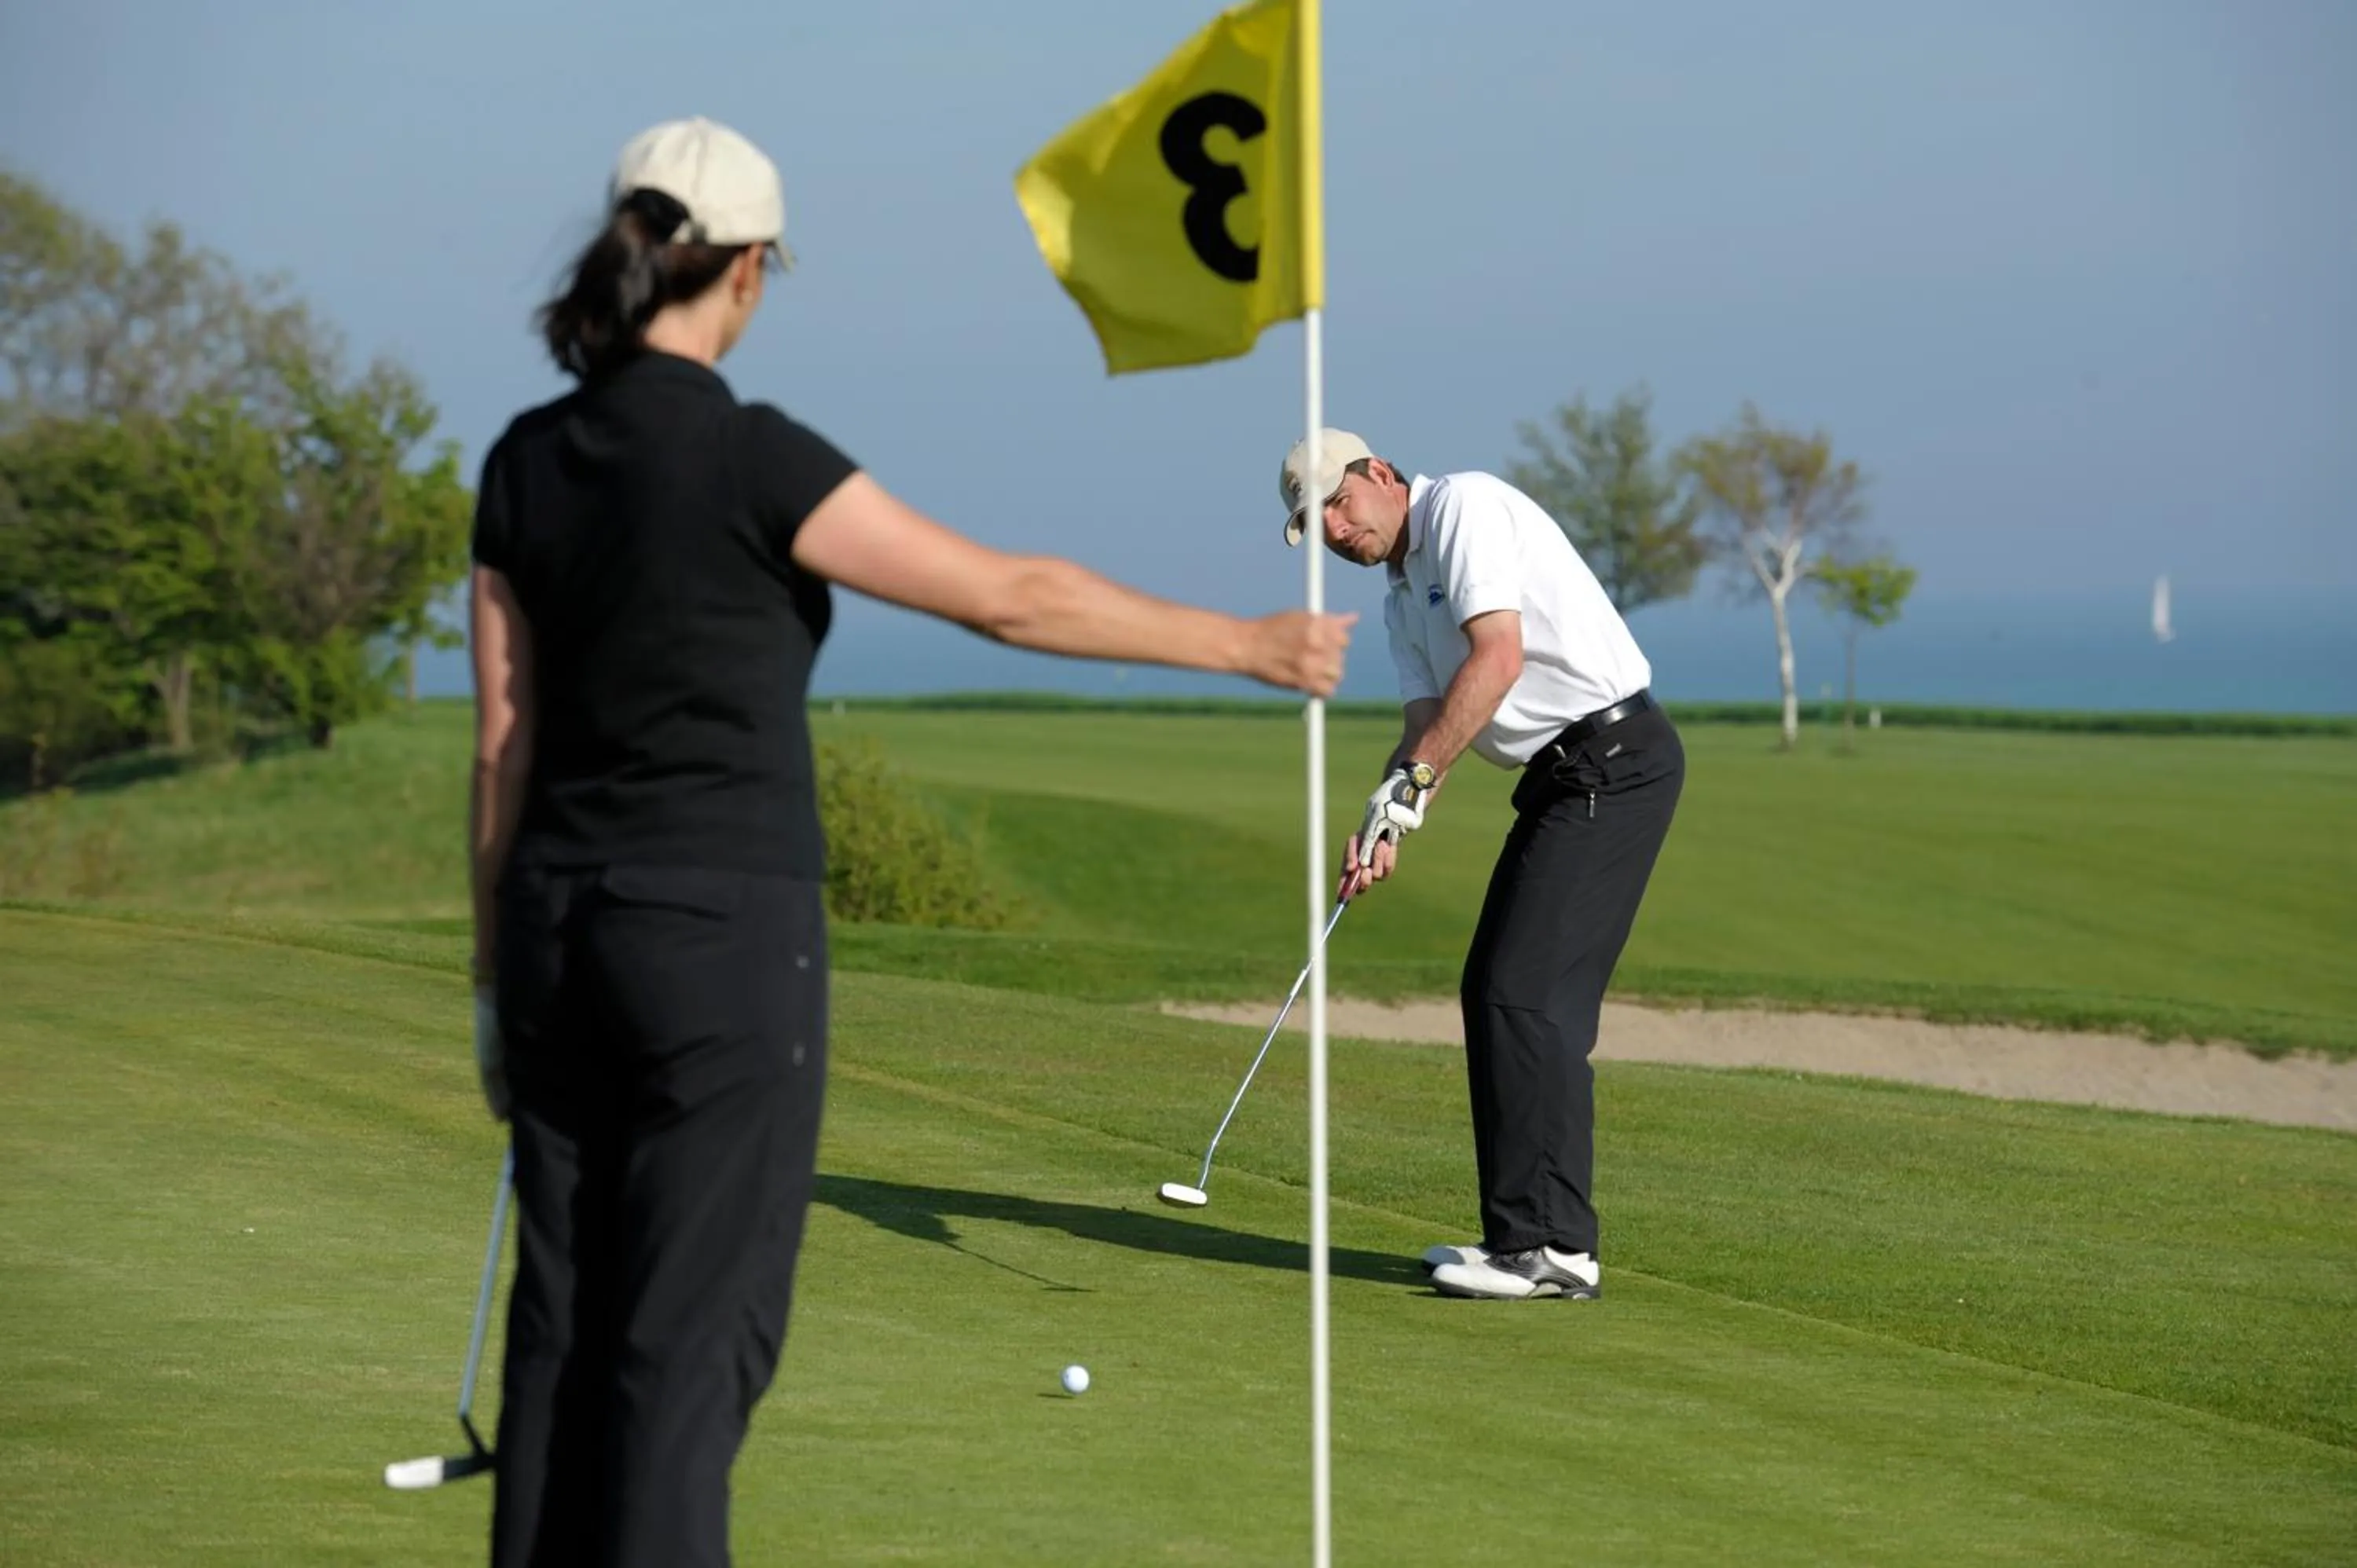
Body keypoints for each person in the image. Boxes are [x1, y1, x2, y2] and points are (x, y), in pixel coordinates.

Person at [466, 115, 1355, 1566]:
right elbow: (1005, 597)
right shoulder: (757, 457)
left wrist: (496, 983)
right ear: (748, 270)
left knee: (561, 1329)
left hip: (560, 934)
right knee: (687, 1349)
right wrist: (1244, 642)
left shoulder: (524, 458)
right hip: (719, 948)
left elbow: (503, 741)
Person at [1277, 427, 1683, 1302]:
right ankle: (1524, 1237)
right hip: (1564, 778)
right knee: (1498, 988)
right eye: (1320, 526)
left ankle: (1553, 1250)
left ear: (1381, 474)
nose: (1339, 532)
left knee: (1523, 991)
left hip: (1614, 758)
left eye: (1341, 505)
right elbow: (1430, 722)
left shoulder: (1463, 508)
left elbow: (1499, 657)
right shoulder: (1398, 596)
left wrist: (1417, 781)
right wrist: (1387, 815)